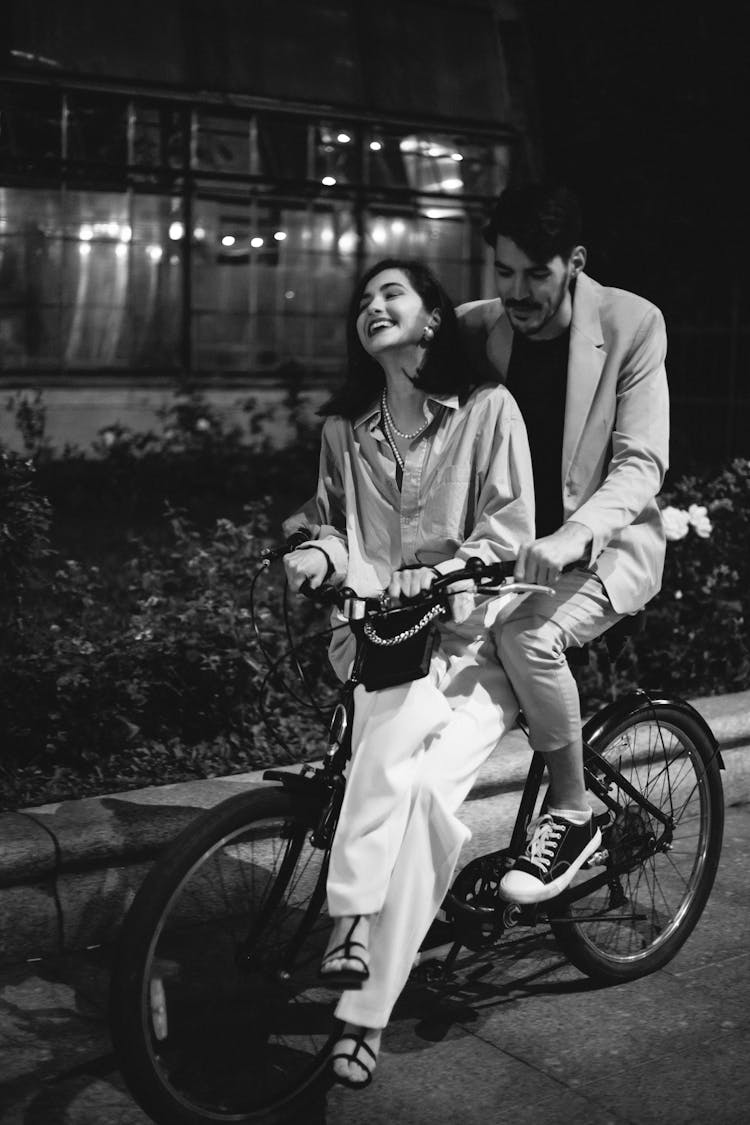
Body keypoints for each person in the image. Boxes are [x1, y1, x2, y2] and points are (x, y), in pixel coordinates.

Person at [282, 257, 535, 1089]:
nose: (372, 307)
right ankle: (357, 948)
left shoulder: (489, 411)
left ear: (433, 317)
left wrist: (438, 574)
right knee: (403, 749)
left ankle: (359, 978)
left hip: (468, 653)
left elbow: (508, 533)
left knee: (422, 796)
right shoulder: (344, 431)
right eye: (362, 300)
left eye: (392, 293)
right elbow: (325, 524)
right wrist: (315, 556)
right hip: (382, 643)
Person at [455, 183, 669, 905]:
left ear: (573, 262)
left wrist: (576, 531)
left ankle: (573, 811)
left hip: (602, 551)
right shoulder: (475, 330)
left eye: (536, 274)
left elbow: (641, 461)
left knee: (526, 640)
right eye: (504, 272)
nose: (517, 292)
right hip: (506, 557)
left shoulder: (631, 323)